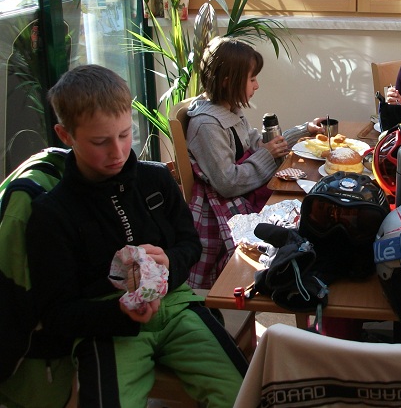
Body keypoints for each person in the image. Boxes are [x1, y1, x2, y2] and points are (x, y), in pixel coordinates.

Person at [26, 65, 248, 407]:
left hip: (177, 307)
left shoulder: (156, 180)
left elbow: (190, 244)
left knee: (243, 394)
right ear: (65, 135)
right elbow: (56, 314)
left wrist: (169, 260)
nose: (117, 152)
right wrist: (119, 313)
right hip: (106, 326)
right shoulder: (52, 214)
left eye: (125, 134)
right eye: (100, 142)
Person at [185, 37, 325, 289]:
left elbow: (259, 144)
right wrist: (266, 154)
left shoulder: (229, 111)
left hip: (246, 192)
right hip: (226, 210)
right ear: (227, 80)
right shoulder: (207, 125)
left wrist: (304, 130)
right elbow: (227, 182)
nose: (257, 85)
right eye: (251, 79)